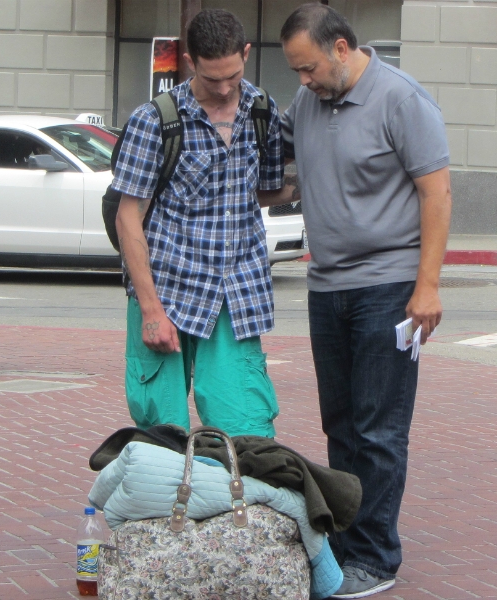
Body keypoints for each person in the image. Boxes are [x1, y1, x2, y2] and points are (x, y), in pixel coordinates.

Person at [276, 4, 452, 597]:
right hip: (327, 287)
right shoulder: (308, 102)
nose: (302, 82)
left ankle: (376, 558)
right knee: (342, 426)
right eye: (296, 72)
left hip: (389, 287)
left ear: (342, 48)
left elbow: (437, 192)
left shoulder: (402, 100)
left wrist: (426, 286)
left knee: (379, 430)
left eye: (308, 68)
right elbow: (283, 170)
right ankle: (346, 549)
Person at [112, 9, 294, 438]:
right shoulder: (154, 119)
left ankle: (241, 506)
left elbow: (263, 192)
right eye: (213, 79)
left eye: (233, 74)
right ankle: (167, 506)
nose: (225, 88)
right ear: (191, 61)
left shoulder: (261, 111)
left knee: (247, 428)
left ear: (246, 53)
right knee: (162, 434)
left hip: (236, 292)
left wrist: (317, 184)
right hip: (168, 291)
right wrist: (151, 310)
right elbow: (128, 216)